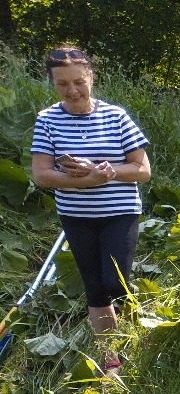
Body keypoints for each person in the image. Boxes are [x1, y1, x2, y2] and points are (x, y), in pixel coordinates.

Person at [29, 45, 151, 373]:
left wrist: (104, 172)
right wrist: (85, 181)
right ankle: (112, 359)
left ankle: (142, 342)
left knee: (116, 282)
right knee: (95, 288)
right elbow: (41, 175)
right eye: (62, 84)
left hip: (120, 212)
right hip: (76, 215)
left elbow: (142, 170)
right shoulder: (47, 120)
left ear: (91, 78)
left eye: (79, 82)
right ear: (52, 83)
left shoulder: (116, 116)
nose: (72, 91)